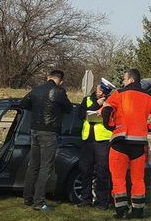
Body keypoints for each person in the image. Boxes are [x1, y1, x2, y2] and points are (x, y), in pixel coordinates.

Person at [102, 69, 151, 219]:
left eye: (124, 79)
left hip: (120, 141)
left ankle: (121, 210)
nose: (123, 82)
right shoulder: (149, 96)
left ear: (130, 80)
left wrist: (111, 125)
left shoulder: (119, 93)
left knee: (118, 178)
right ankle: (138, 211)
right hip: (139, 143)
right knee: (138, 180)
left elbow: (106, 110)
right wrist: (149, 127)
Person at [19, 69, 72, 211]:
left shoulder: (36, 90)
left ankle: (27, 197)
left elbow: (23, 104)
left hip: (34, 130)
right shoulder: (59, 92)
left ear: (48, 77)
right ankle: (39, 201)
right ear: (60, 80)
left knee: (34, 165)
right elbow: (68, 109)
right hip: (50, 132)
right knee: (46, 167)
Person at [77, 79, 114, 208]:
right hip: (87, 140)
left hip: (102, 141)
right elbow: (80, 114)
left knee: (102, 172)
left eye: (104, 92)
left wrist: (103, 104)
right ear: (97, 88)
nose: (102, 94)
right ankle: (86, 199)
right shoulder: (87, 99)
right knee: (85, 170)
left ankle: (102, 201)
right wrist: (96, 104)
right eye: (100, 91)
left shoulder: (110, 102)